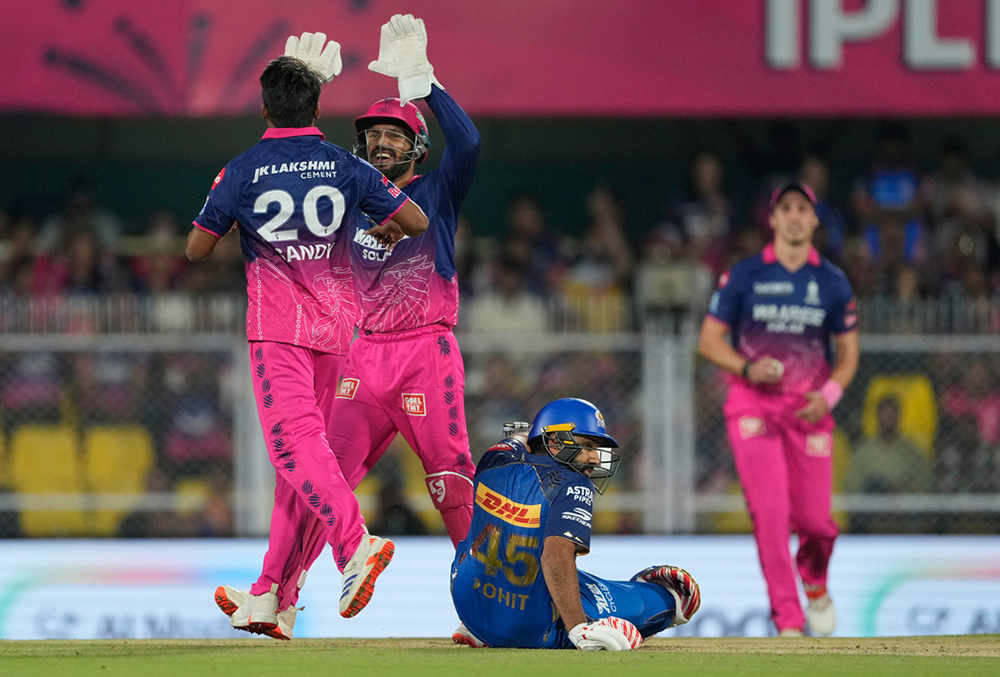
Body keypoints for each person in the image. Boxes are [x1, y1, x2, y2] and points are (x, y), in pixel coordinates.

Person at [215, 14, 480, 639]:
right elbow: (284, 177)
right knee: (314, 476)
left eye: (395, 134)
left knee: (449, 481)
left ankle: (489, 607)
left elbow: (468, 145)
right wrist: (296, 93)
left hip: (424, 350)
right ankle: (273, 596)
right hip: (359, 357)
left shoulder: (437, 192)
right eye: (373, 134)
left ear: (417, 148)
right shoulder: (342, 190)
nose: (382, 143)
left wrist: (426, 85)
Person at [187, 48, 429, 637]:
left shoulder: (241, 170)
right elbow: (416, 222)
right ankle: (271, 594)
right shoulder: (347, 166)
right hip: (337, 330)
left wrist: (246, 221)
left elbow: (197, 249)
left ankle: (354, 544)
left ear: (264, 107)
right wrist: (370, 228)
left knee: (293, 451)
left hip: (279, 331)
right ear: (318, 108)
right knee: (302, 463)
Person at [697, 181, 860, 637]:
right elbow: (708, 341)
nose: (793, 216)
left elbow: (849, 354)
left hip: (809, 412)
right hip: (754, 408)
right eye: (785, 208)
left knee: (816, 523)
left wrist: (828, 396)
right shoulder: (745, 274)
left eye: (802, 209)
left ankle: (816, 583)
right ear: (772, 219)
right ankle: (788, 621)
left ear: (814, 220)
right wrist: (747, 369)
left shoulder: (832, 281)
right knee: (769, 516)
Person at [449, 399, 701, 650]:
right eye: (587, 446)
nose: (595, 459)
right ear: (555, 442)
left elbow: (519, 437)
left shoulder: (495, 457)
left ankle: (476, 630)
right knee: (664, 599)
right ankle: (656, 596)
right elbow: (556, 557)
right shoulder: (573, 483)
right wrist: (578, 628)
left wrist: (537, 433)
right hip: (528, 627)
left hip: (470, 608)